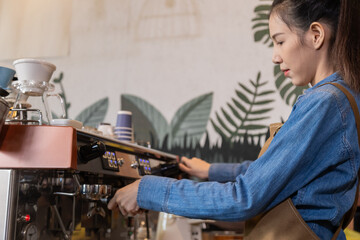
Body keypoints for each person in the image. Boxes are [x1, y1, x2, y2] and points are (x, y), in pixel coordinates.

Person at [108, 0, 360, 239]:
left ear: (316, 35)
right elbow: (275, 171)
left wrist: (146, 190)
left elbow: (245, 197)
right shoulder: (344, 98)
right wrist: (210, 171)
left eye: (280, 41)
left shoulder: (324, 103)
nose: (275, 56)